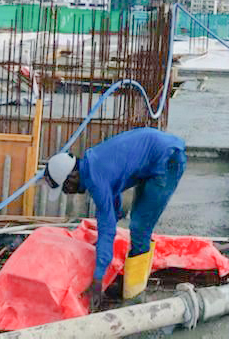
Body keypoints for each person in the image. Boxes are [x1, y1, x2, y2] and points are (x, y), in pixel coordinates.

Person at [43, 127, 187, 309]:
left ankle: (134, 296)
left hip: (168, 160)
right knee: (136, 220)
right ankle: (132, 279)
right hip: (157, 153)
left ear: (71, 177)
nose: (67, 193)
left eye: (65, 188)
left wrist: (97, 279)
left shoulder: (96, 180)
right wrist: (113, 217)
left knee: (140, 226)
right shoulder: (93, 161)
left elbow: (107, 227)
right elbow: (113, 191)